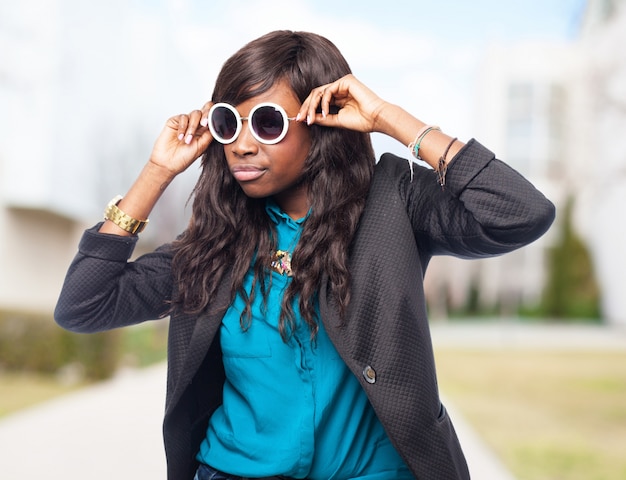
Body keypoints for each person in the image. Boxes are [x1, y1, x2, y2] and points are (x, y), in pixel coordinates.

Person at [55, 30, 555, 480]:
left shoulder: (394, 202)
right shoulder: (216, 240)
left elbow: (521, 212)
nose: (242, 146)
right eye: (231, 123)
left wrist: (390, 120)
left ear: (320, 121)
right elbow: (83, 305)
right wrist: (157, 172)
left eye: (268, 123)